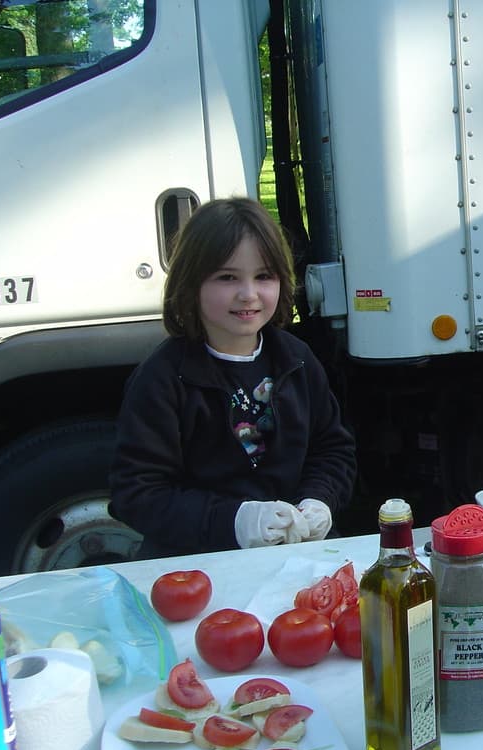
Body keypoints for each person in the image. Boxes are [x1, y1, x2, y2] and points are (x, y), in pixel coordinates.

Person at [109, 197, 356, 557]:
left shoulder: (297, 360)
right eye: (227, 277)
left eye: (264, 276)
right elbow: (137, 494)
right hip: (199, 566)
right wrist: (233, 521)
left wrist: (319, 500)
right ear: (191, 284)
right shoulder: (161, 379)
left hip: (297, 556)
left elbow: (333, 450)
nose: (248, 294)